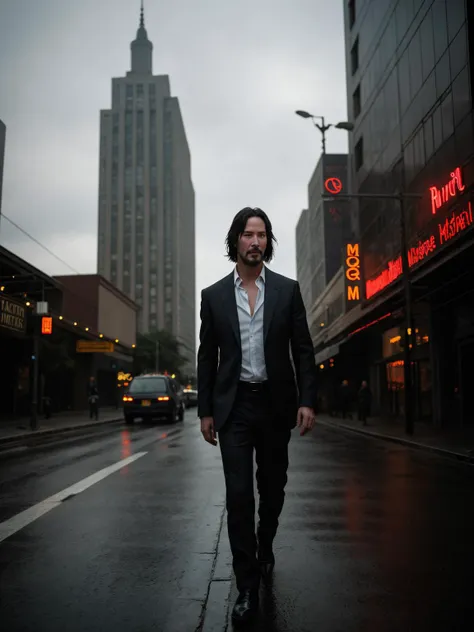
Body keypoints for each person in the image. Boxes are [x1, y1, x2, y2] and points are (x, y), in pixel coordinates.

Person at [197, 207, 318, 624]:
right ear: (236, 240)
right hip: (234, 407)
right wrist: (206, 410)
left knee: (273, 487)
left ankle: (265, 545)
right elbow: (207, 357)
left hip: (275, 403)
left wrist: (307, 400)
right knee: (238, 495)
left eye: (262, 234)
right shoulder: (213, 296)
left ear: (268, 241)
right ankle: (246, 586)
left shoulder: (287, 290)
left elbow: (303, 349)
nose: (255, 241)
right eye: (248, 234)